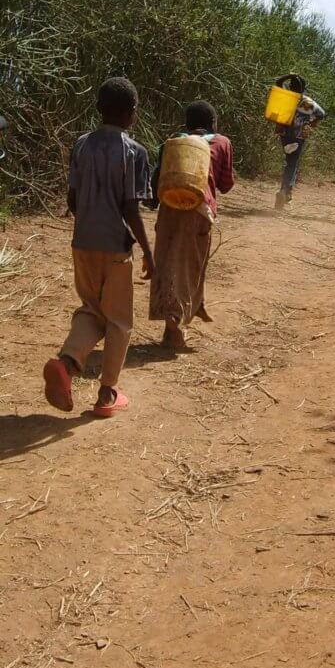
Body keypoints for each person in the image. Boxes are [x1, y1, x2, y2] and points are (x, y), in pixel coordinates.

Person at [42, 77, 153, 417]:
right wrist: (148, 251)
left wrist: (89, 219)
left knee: (92, 310)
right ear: (132, 114)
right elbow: (131, 208)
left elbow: (72, 198)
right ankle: (108, 393)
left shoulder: (81, 145)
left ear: (98, 109)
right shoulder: (134, 152)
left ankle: (67, 362)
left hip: (83, 242)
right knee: (119, 320)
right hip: (115, 246)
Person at [149, 101, 234, 350]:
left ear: (186, 124)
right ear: (213, 123)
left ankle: (184, 315)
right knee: (191, 265)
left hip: (168, 206)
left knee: (167, 263)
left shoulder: (172, 142)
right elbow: (226, 184)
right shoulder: (221, 142)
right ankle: (175, 331)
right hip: (198, 210)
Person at [274, 76, 325, 210]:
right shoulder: (307, 102)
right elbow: (321, 114)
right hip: (298, 136)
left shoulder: (285, 96)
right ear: (303, 88)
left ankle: (286, 193)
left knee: (289, 162)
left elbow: (278, 82)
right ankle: (285, 191)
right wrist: (311, 124)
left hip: (284, 134)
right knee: (292, 164)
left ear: (290, 87)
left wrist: (289, 76)